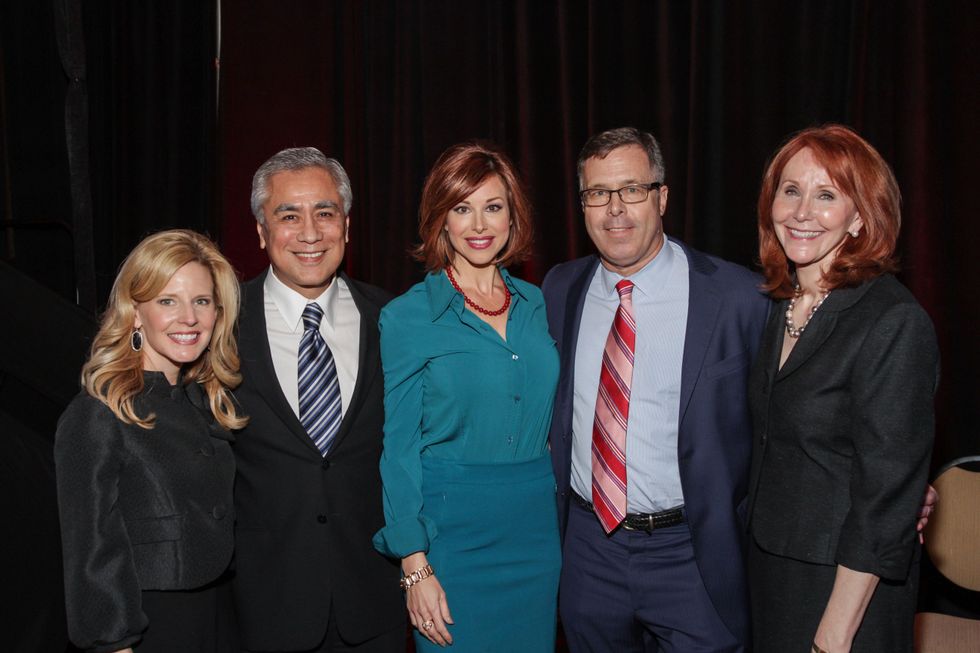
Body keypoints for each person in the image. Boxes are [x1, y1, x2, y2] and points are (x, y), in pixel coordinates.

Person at [542, 127, 770, 652]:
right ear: (582, 206)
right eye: (598, 193)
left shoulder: (738, 298)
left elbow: (785, 422)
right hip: (588, 550)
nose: (615, 209)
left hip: (691, 554)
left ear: (661, 197)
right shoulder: (560, 288)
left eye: (631, 190)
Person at [746, 124, 939, 652]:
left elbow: (885, 499)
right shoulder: (778, 307)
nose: (802, 211)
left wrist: (834, 634)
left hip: (845, 591)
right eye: (791, 190)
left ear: (859, 216)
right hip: (772, 571)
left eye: (827, 195)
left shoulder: (893, 321)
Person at [373, 142, 561, 651]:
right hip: (451, 537)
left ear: (511, 217)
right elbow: (399, 447)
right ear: (441, 220)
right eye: (462, 207)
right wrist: (415, 564)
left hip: (536, 531)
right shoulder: (408, 317)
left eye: (493, 206)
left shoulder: (536, 304)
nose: (479, 224)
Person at [232, 147, 405, 652]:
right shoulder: (218, 324)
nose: (310, 233)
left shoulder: (394, 320)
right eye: (289, 215)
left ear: (346, 226)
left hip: (376, 606)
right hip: (264, 609)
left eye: (324, 213)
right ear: (262, 232)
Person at [55, 229, 247, 653]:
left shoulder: (206, 401)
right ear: (135, 312)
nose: (189, 318)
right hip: (147, 626)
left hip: (219, 618)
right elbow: (92, 549)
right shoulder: (98, 412)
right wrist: (114, 643)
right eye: (167, 301)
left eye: (201, 301)